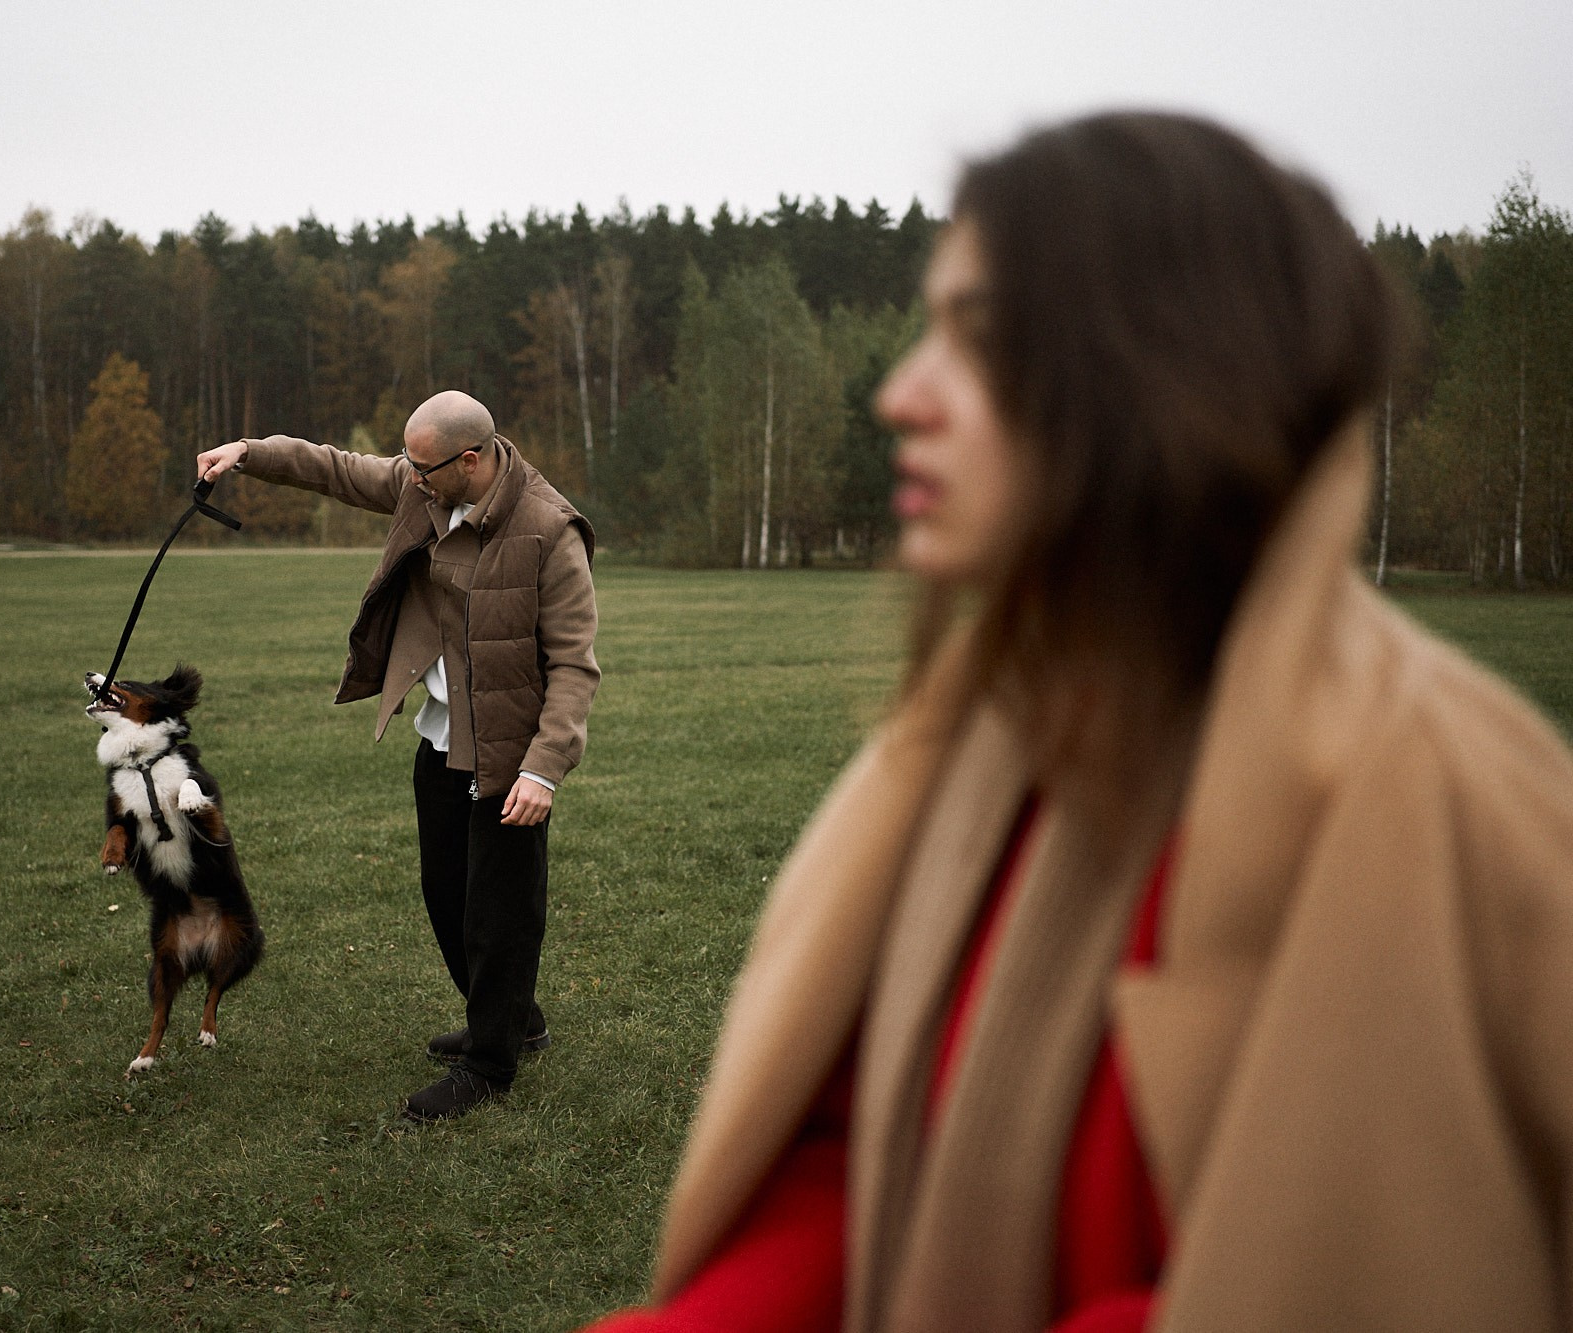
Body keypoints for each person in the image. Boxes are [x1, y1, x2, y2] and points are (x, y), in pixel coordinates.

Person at [583, 112, 1573, 1332]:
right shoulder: (999, 732)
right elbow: (853, 1151)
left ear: (1167, 375)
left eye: (981, 341)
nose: (900, 394)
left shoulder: (1432, 804)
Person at [195, 391, 599, 1122]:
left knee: (498, 914)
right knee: (446, 896)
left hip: (510, 754)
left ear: (468, 461)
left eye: (421, 465)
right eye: (407, 462)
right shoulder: (423, 487)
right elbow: (338, 469)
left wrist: (544, 768)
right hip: (442, 738)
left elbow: (574, 664)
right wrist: (248, 454)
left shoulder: (548, 530)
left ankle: (489, 1063)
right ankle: (515, 1018)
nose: (406, 476)